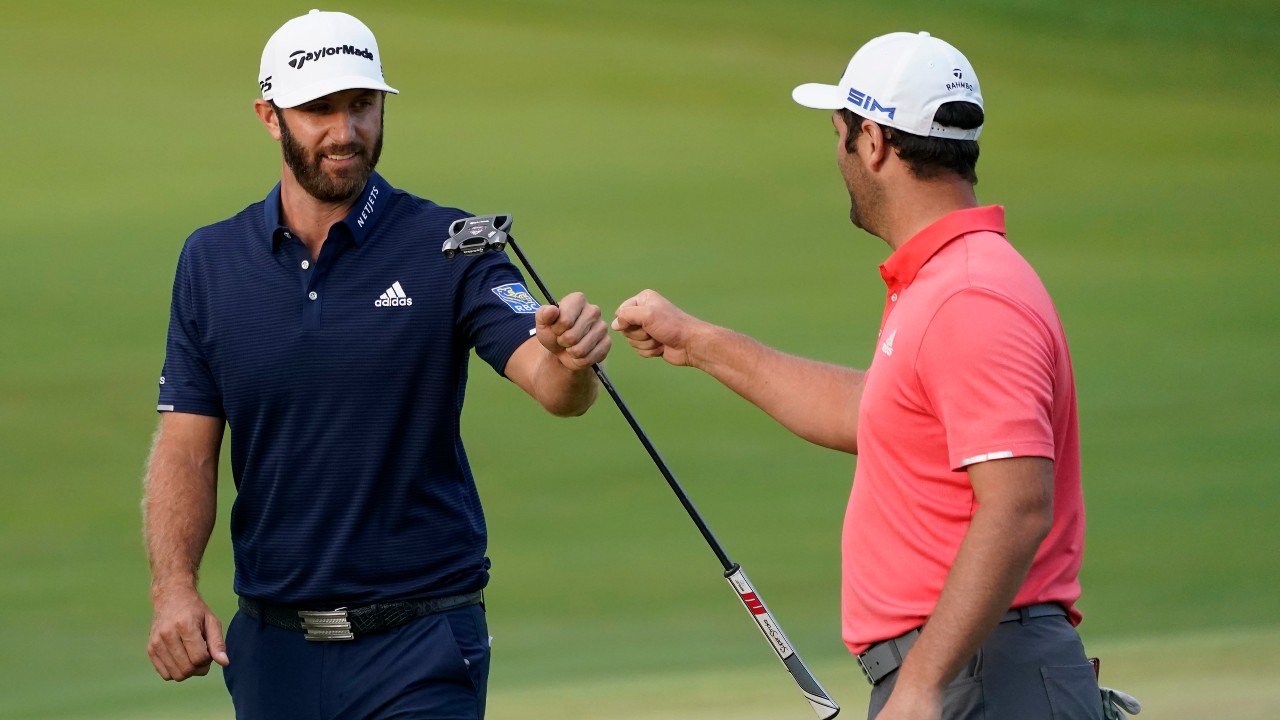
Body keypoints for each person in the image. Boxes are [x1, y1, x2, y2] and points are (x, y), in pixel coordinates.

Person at [612, 31, 1111, 719]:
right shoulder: (944, 281)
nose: (839, 152)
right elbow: (873, 413)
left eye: (840, 131)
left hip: (979, 676)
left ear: (873, 142)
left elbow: (1018, 504)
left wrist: (922, 683)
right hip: (975, 671)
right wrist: (698, 343)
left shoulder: (968, 296)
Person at [143, 9, 610, 719]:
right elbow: (187, 447)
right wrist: (173, 588)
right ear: (270, 116)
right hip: (274, 650)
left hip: (420, 641)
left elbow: (553, 386)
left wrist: (569, 357)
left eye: (361, 106)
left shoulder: (452, 244)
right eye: (319, 110)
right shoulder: (211, 262)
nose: (345, 131)